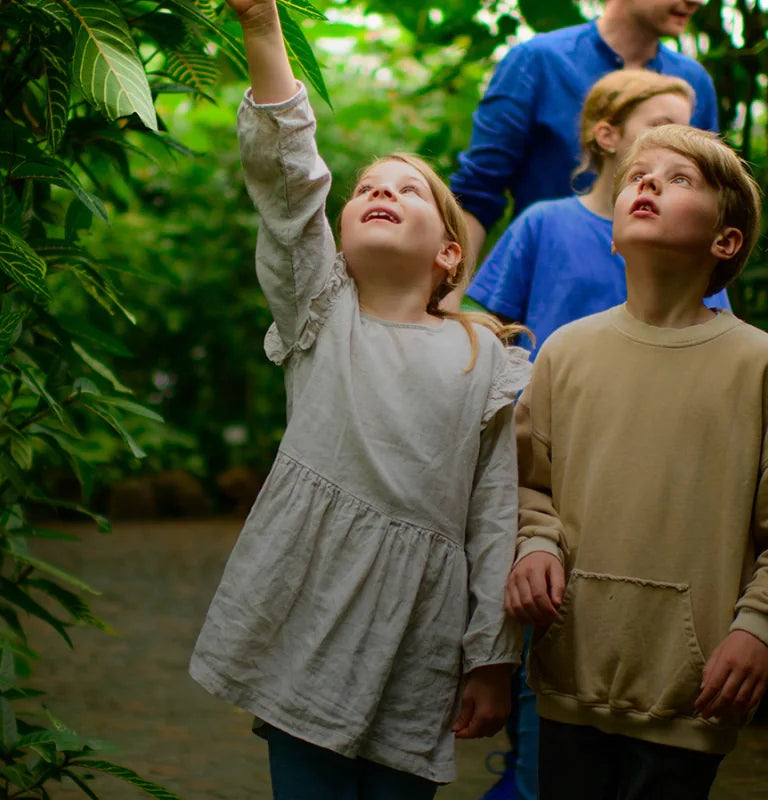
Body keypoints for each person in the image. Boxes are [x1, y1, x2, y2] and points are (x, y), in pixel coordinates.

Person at [187, 0, 531, 794]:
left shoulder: (486, 355)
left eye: (407, 191)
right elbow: (288, 188)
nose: (380, 192)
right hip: (309, 606)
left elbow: (495, 514)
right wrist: (262, 31)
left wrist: (491, 659)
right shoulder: (320, 311)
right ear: (337, 239)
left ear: (450, 252)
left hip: (419, 632)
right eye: (366, 188)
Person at [503, 124, 768, 799]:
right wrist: (533, 546)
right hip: (570, 680)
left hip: (692, 693)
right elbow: (522, 487)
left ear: (726, 240)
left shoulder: (758, 365)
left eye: (678, 179)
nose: (647, 183)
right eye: (637, 178)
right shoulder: (565, 353)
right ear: (614, 235)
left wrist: (761, 629)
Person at [468, 69, 730, 355]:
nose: (679, 145)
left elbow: (714, 339)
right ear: (607, 136)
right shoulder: (542, 223)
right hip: (550, 397)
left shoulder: (692, 239)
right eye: (660, 128)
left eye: (685, 132)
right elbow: (492, 335)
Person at [448, 0, 719, 265]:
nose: (696, 2)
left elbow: (708, 202)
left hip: (660, 288)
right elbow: (478, 193)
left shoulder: (693, 82)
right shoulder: (537, 61)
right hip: (550, 282)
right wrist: (445, 298)